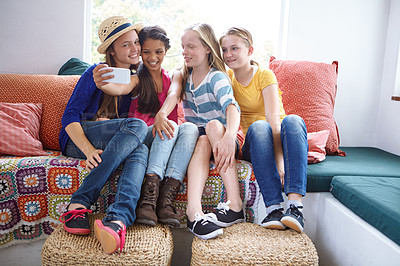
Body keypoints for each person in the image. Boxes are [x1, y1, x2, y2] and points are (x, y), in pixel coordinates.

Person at [58, 16, 148, 255]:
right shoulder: (95, 72)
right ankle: (80, 202)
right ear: (111, 50)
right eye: (126, 44)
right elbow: (70, 117)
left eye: (136, 42)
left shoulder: (136, 77)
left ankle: (117, 220)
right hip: (79, 139)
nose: (135, 49)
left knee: (140, 147)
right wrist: (88, 150)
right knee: (138, 127)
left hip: (114, 137)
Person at [93, 25, 199, 228]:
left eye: (158, 52)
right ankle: (148, 200)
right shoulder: (137, 77)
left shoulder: (175, 75)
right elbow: (119, 88)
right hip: (144, 137)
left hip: (168, 135)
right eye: (146, 52)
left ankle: (165, 198)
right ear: (140, 52)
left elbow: (173, 94)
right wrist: (101, 83)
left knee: (191, 129)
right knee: (172, 127)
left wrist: (161, 114)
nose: (152, 57)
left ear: (166, 51)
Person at [219, 27, 308, 232]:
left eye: (234, 48)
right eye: (224, 50)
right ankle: (274, 209)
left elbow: (274, 121)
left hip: (282, 138)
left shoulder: (264, 75)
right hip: (256, 143)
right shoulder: (227, 80)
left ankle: (295, 207)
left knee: (293, 120)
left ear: (250, 50)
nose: (228, 54)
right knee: (259, 127)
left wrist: (281, 162)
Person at [177, 23, 245, 240]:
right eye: (183, 47)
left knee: (213, 126)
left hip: (225, 136)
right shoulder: (184, 77)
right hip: (203, 141)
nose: (185, 52)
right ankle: (194, 214)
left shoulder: (216, 77)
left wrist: (229, 135)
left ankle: (235, 205)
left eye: (191, 46)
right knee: (203, 137)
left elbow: (232, 108)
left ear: (207, 48)